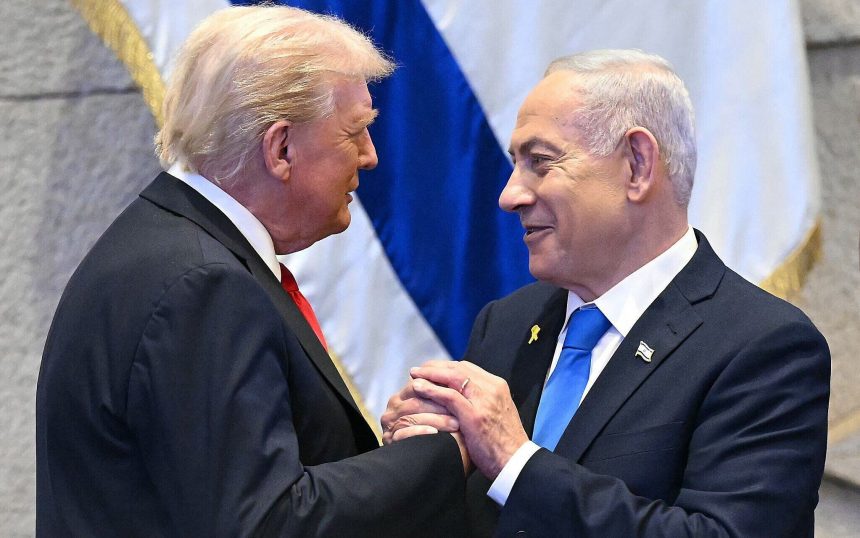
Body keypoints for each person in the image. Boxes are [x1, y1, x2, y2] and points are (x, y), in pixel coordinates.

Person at [36, 6, 467, 537]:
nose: (369, 155)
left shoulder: (163, 248)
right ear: (281, 148)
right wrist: (443, 453)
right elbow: (266, 522)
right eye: (355, 132)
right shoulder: (201, 287)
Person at [383, 49, 830, 537]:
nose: (510, 196)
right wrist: (422, 467)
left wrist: (516, 463)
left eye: (540, 162)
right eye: (516, 164)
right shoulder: (506, 325)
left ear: (637, 165)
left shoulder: (762, 346)